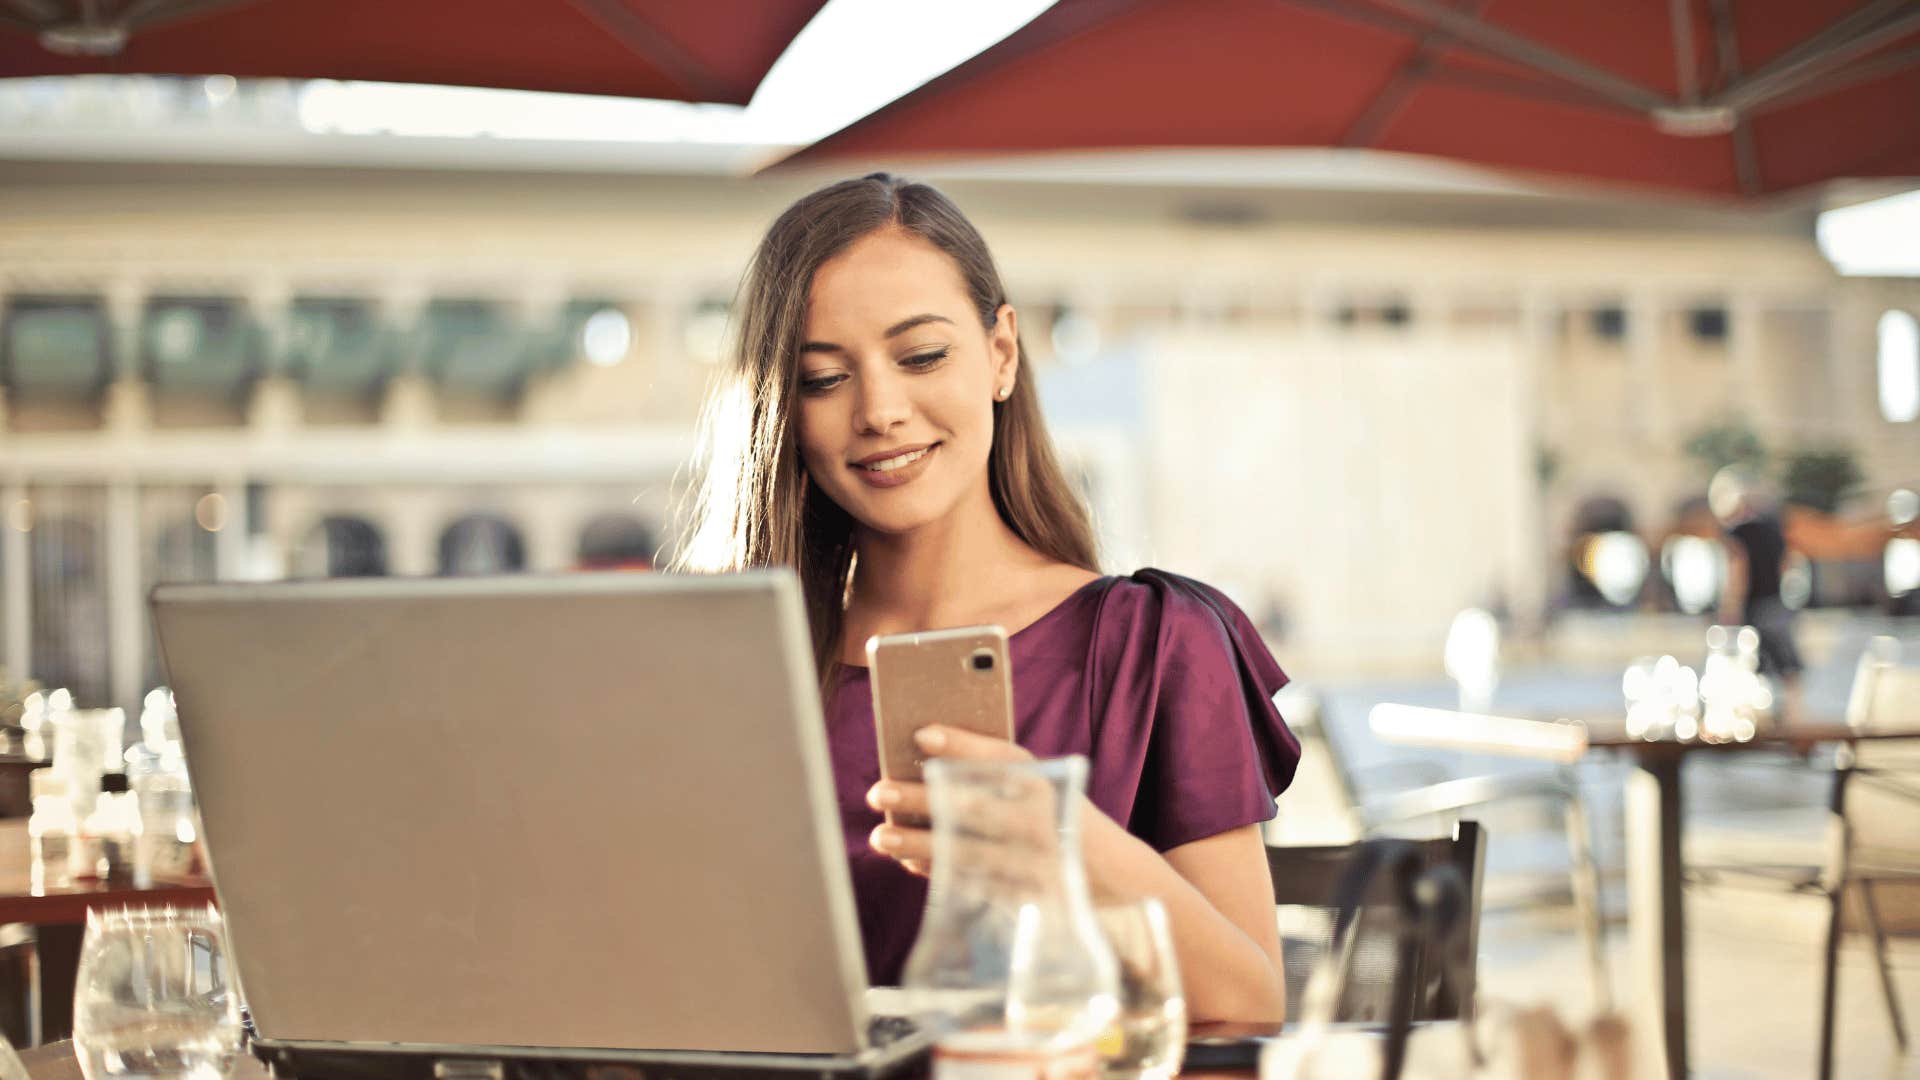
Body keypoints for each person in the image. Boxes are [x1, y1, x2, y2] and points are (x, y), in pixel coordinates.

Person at [676, 174, 1298, 1022]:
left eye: (922, 356)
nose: (882, 411)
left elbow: (1251, 1002)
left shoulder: (1152, 641)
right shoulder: (729, 667)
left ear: (1001, 353)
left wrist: (1064, 846)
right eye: (824, 379)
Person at [1710, 466, 1803, 720]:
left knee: (1748, 664)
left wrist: (1730, 606)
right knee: (1787, 667)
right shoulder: (1773, 530)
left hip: (1753, 607)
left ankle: (1751, 719)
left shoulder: (1737, 533)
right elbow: (1787, 564)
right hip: (1776, 603)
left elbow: (1738, 570)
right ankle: (1794, 719)